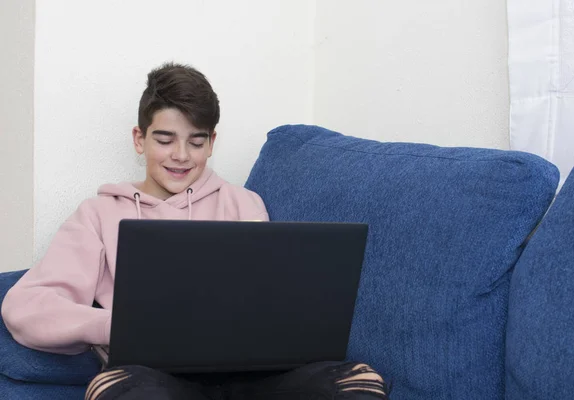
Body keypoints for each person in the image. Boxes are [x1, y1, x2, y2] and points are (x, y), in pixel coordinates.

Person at [1, 63, 388, 400]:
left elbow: (268, 301)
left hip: (256, 379)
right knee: (115, 387)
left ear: (212, 143)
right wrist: (116, 326)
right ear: (140, 139)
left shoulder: (243, 203)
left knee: (359, 380)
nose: (181, 155)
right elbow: (25, 307)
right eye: (165, 139)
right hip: (156, 379)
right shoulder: (100, 214)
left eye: (196, 141)